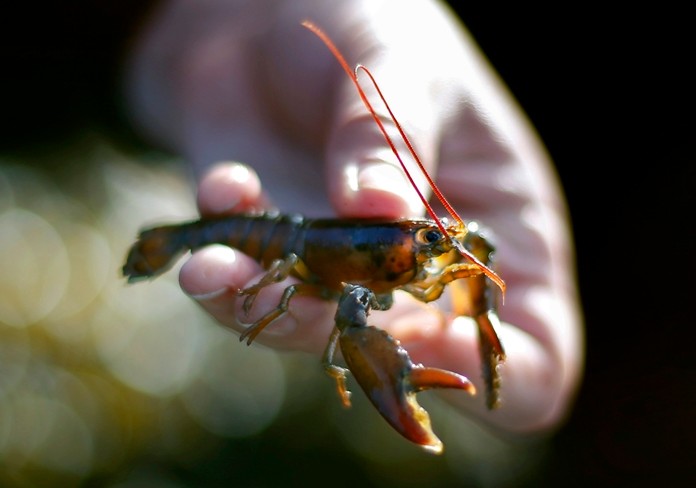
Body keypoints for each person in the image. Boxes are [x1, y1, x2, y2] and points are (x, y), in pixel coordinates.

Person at [125, 0, 583, 434]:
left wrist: (479, 315)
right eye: (424, 240)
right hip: (272, 242)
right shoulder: (362, 274)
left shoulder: (411, 249)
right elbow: (348, 309)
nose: (432, 244)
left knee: (469, 241)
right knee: (322, 306)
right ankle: (168, 242)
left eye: (425, 240)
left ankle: (478, 330)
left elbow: (473, 241)